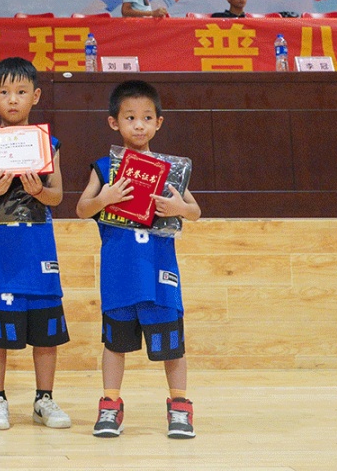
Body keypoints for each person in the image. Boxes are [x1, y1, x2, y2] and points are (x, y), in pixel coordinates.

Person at [75, 80, 201, 440]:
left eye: (147, 117)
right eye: (130, 117)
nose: (139, 125)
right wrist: (105, 198)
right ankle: (110, 405)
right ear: (114, 122)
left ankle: (180, 407)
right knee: (115, 344)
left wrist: (178, 208)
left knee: (172, 344)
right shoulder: (104, 168)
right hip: (119, 274)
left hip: (160, 272)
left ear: (158, 122)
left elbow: (194, 211)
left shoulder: (169, 170)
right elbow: (82, 208)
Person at [0, 57, 71, 431]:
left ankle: (44, 399)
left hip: (37, 248)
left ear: (36, 96)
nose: (13, 99)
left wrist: (39, 190)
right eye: (5, 92)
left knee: (46, 331)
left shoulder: (48, 144)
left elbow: (58, 196)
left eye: (21, 92)